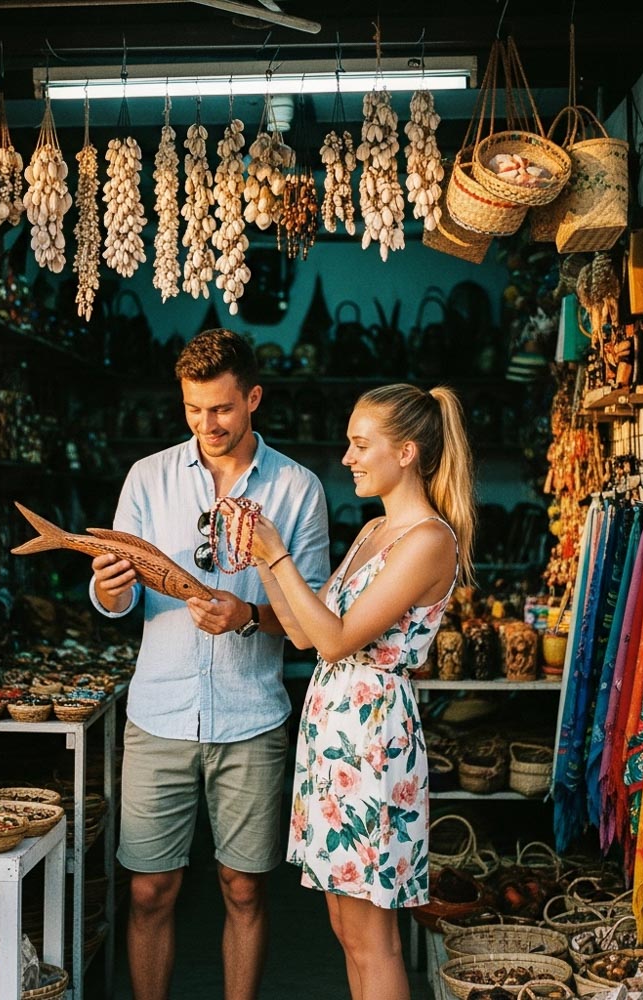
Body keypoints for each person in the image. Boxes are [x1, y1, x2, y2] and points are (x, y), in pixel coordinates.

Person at [89, 328, 330, 1000]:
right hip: (159, 712)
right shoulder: (149, 476)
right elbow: (118, 592)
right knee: (149, 890)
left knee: (246, 889)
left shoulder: (297, 488)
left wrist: (249, 615)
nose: (207, 424)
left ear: (253, 397)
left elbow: (314, 622)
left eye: (221, 409)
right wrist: (109, 590)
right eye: (194, 410)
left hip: (251, 716)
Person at [231, 383, 475, 1000]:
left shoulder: (428, 540)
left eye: (361, 444)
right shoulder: (373, 532)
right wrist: (260, 555)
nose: (347, 458)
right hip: (336, 739)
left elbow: (336, 640)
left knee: (374, 936)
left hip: (373, 744)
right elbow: (303, 631)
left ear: (408, 453)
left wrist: (279, 551)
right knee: (346, 925)